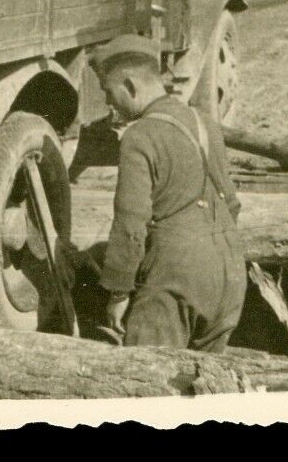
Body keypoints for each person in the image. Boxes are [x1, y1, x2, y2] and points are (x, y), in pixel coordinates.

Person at [89, 34, 247, 353]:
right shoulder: (204, 123)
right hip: (230, 275)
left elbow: (130, 225)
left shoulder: (139, 136)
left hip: (176, 281)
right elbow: (231, 203)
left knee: (145, 384)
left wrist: (119, 294)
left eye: (109, 93)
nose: (109, 104)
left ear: (131, 86)